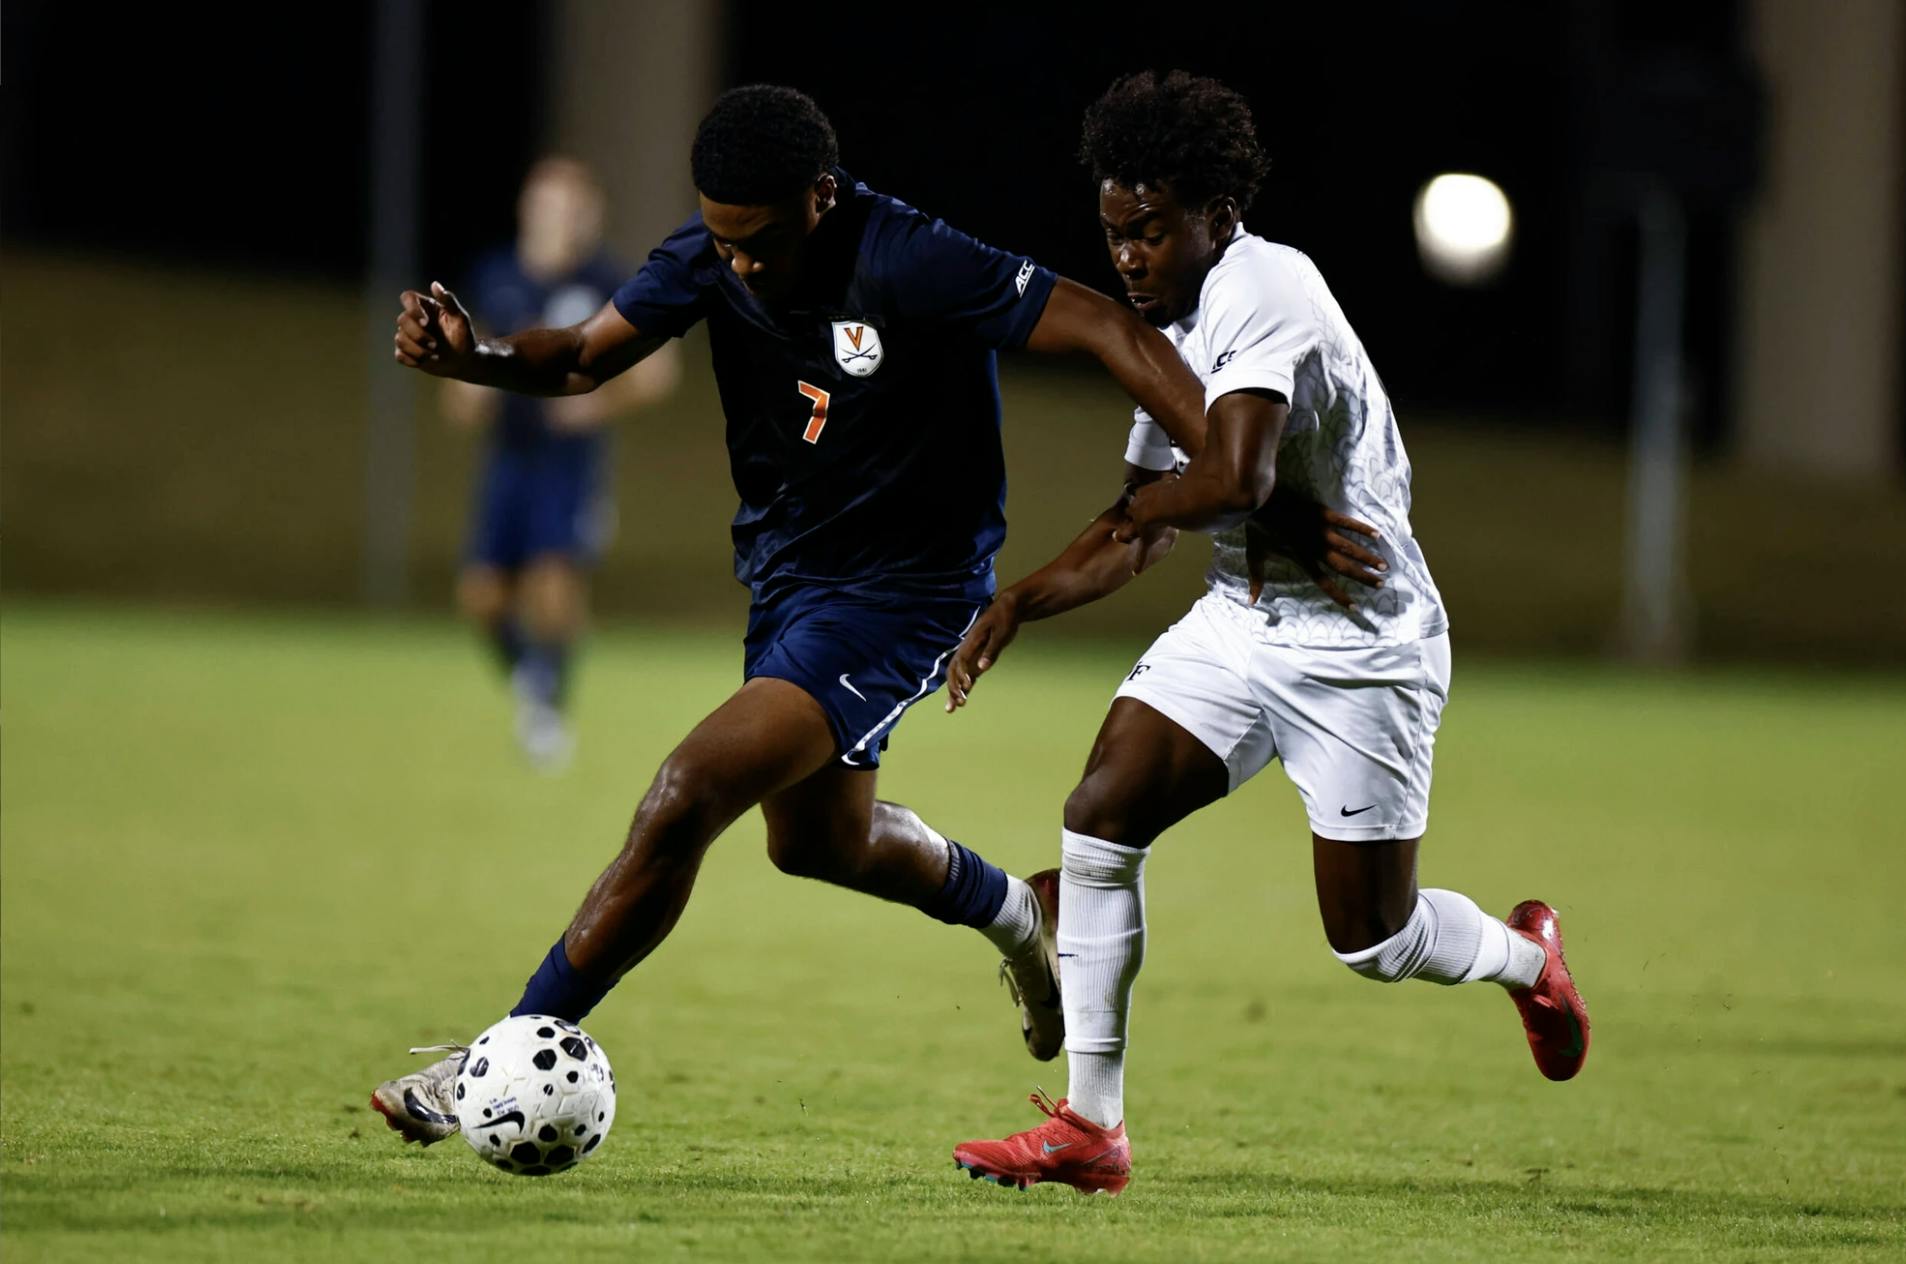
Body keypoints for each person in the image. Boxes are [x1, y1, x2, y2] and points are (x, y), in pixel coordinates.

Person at [370, 83, 1244, 1146]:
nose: (738, 263)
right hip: (790, 580)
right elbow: (585, 356)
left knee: (688, 791)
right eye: (722, 239)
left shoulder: (909, 257)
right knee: (817, 842)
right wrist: (480, 358)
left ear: (822, 198)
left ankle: (503, 1049)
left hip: (908, 594)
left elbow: (1106, 323)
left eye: (761, 241)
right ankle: (1024, 911)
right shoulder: (710, 253)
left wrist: (1228, 456)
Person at [947, 71, 1590, 1197]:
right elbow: (1137, 531)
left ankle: (1529, 959)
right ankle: (1092, 1129)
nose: (1128, 259)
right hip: (1243, 624)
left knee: (1373, 941)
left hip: (1362, 649)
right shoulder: (1171, 320)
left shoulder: (1266, 289)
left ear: (1216, 213)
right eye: (1112, 236)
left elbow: (1233, 478)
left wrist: (1149, 510)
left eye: (1148, 232)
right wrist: (1018, 601)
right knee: (1099, 814)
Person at [443, 157, 679, 769]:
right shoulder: (497, 275)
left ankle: (550, 706)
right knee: (482, 597)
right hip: (509, 457)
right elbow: (468, 368)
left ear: (587, 215)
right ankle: (532, 680)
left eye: (571, 208)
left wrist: (592, 406)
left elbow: (656, 373)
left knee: (553, 579)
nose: (560, 219)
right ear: (528, 210)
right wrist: (465, 387)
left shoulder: (604, 279)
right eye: (549, 205)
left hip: (568, 462)